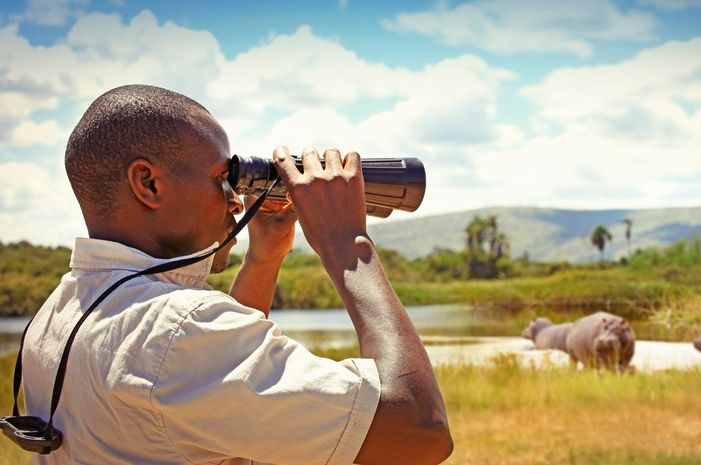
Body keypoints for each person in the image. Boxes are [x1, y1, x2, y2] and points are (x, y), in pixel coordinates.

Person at [20, 84, 453, 465]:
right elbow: (418, 431)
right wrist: (347, 242)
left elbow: (210, 393)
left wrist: (265, 257)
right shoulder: (174, 333)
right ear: (148, 184)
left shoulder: (61, 310)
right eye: (221, 178)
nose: (235, 201)